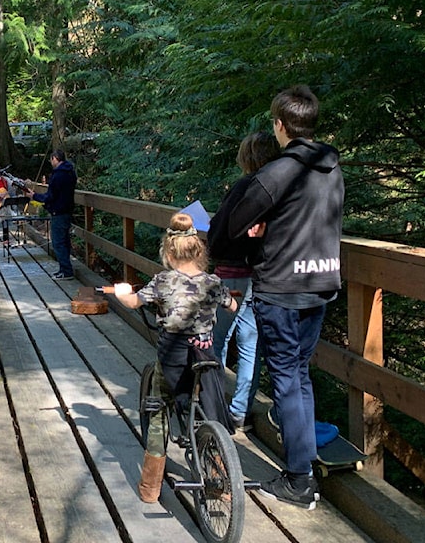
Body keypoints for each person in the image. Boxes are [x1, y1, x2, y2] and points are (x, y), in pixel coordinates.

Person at [228, 85, 344, 510]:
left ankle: (298, 479)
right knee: (300, 375)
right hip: (321, 284)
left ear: (280, 125)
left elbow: (234, 224)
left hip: (282, 289)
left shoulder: (276, 173)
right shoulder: (331, 168)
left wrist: (256, 229)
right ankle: (305, 464)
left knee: (286, 382)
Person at [112, 212, 237, 503]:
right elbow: (231, 306)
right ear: (198, 249)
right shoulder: (213, 282)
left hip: (173, 357)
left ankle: (150, 488)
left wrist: (121, 292)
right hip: (204, 354)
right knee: (210, 410)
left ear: (169, 250)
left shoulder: (162, 281)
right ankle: (220, 474)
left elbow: (133, 302)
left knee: (157, 413)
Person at [208, 132, 281, 431]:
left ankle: (212, 406)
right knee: (250, 344)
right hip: (261, 273)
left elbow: (221, 228)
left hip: (232, 272)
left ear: (247, 156)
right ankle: (240, 411)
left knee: (216, 341)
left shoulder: (244, 186)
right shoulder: (279, 187)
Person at [25, 150, 77, 280]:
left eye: (51, 159)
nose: (50, 162)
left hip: (58, 212)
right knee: (64, 241)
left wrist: (34, 196)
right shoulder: (70, 172)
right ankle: (64, 269)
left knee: (58, 242)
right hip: (67, 210)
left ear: (55, 158)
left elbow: (51, 195)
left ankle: (66, 271)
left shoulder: (58, 175)